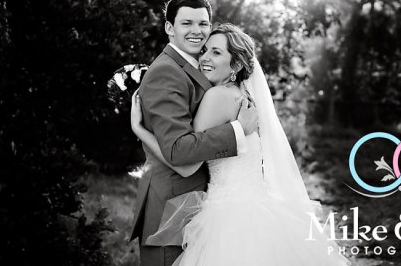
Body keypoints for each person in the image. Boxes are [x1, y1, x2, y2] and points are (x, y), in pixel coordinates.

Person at [131, 23, 350, 266]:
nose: (204, 58)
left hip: (227, 219)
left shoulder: (217, 96)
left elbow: (186, 165)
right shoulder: (243, 97)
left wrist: (140, 130)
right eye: (204, 50)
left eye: (216, 52)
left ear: (235, 66)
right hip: (259, 210)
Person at [128, 0, 259, 266]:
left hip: (203, 207)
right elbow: (180, 154)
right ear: (169, 28)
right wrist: (238, 130)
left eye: (203, 23)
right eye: (186, 23)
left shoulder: (201, 71)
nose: (197, 31)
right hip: (170, 208)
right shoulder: (167, 71)